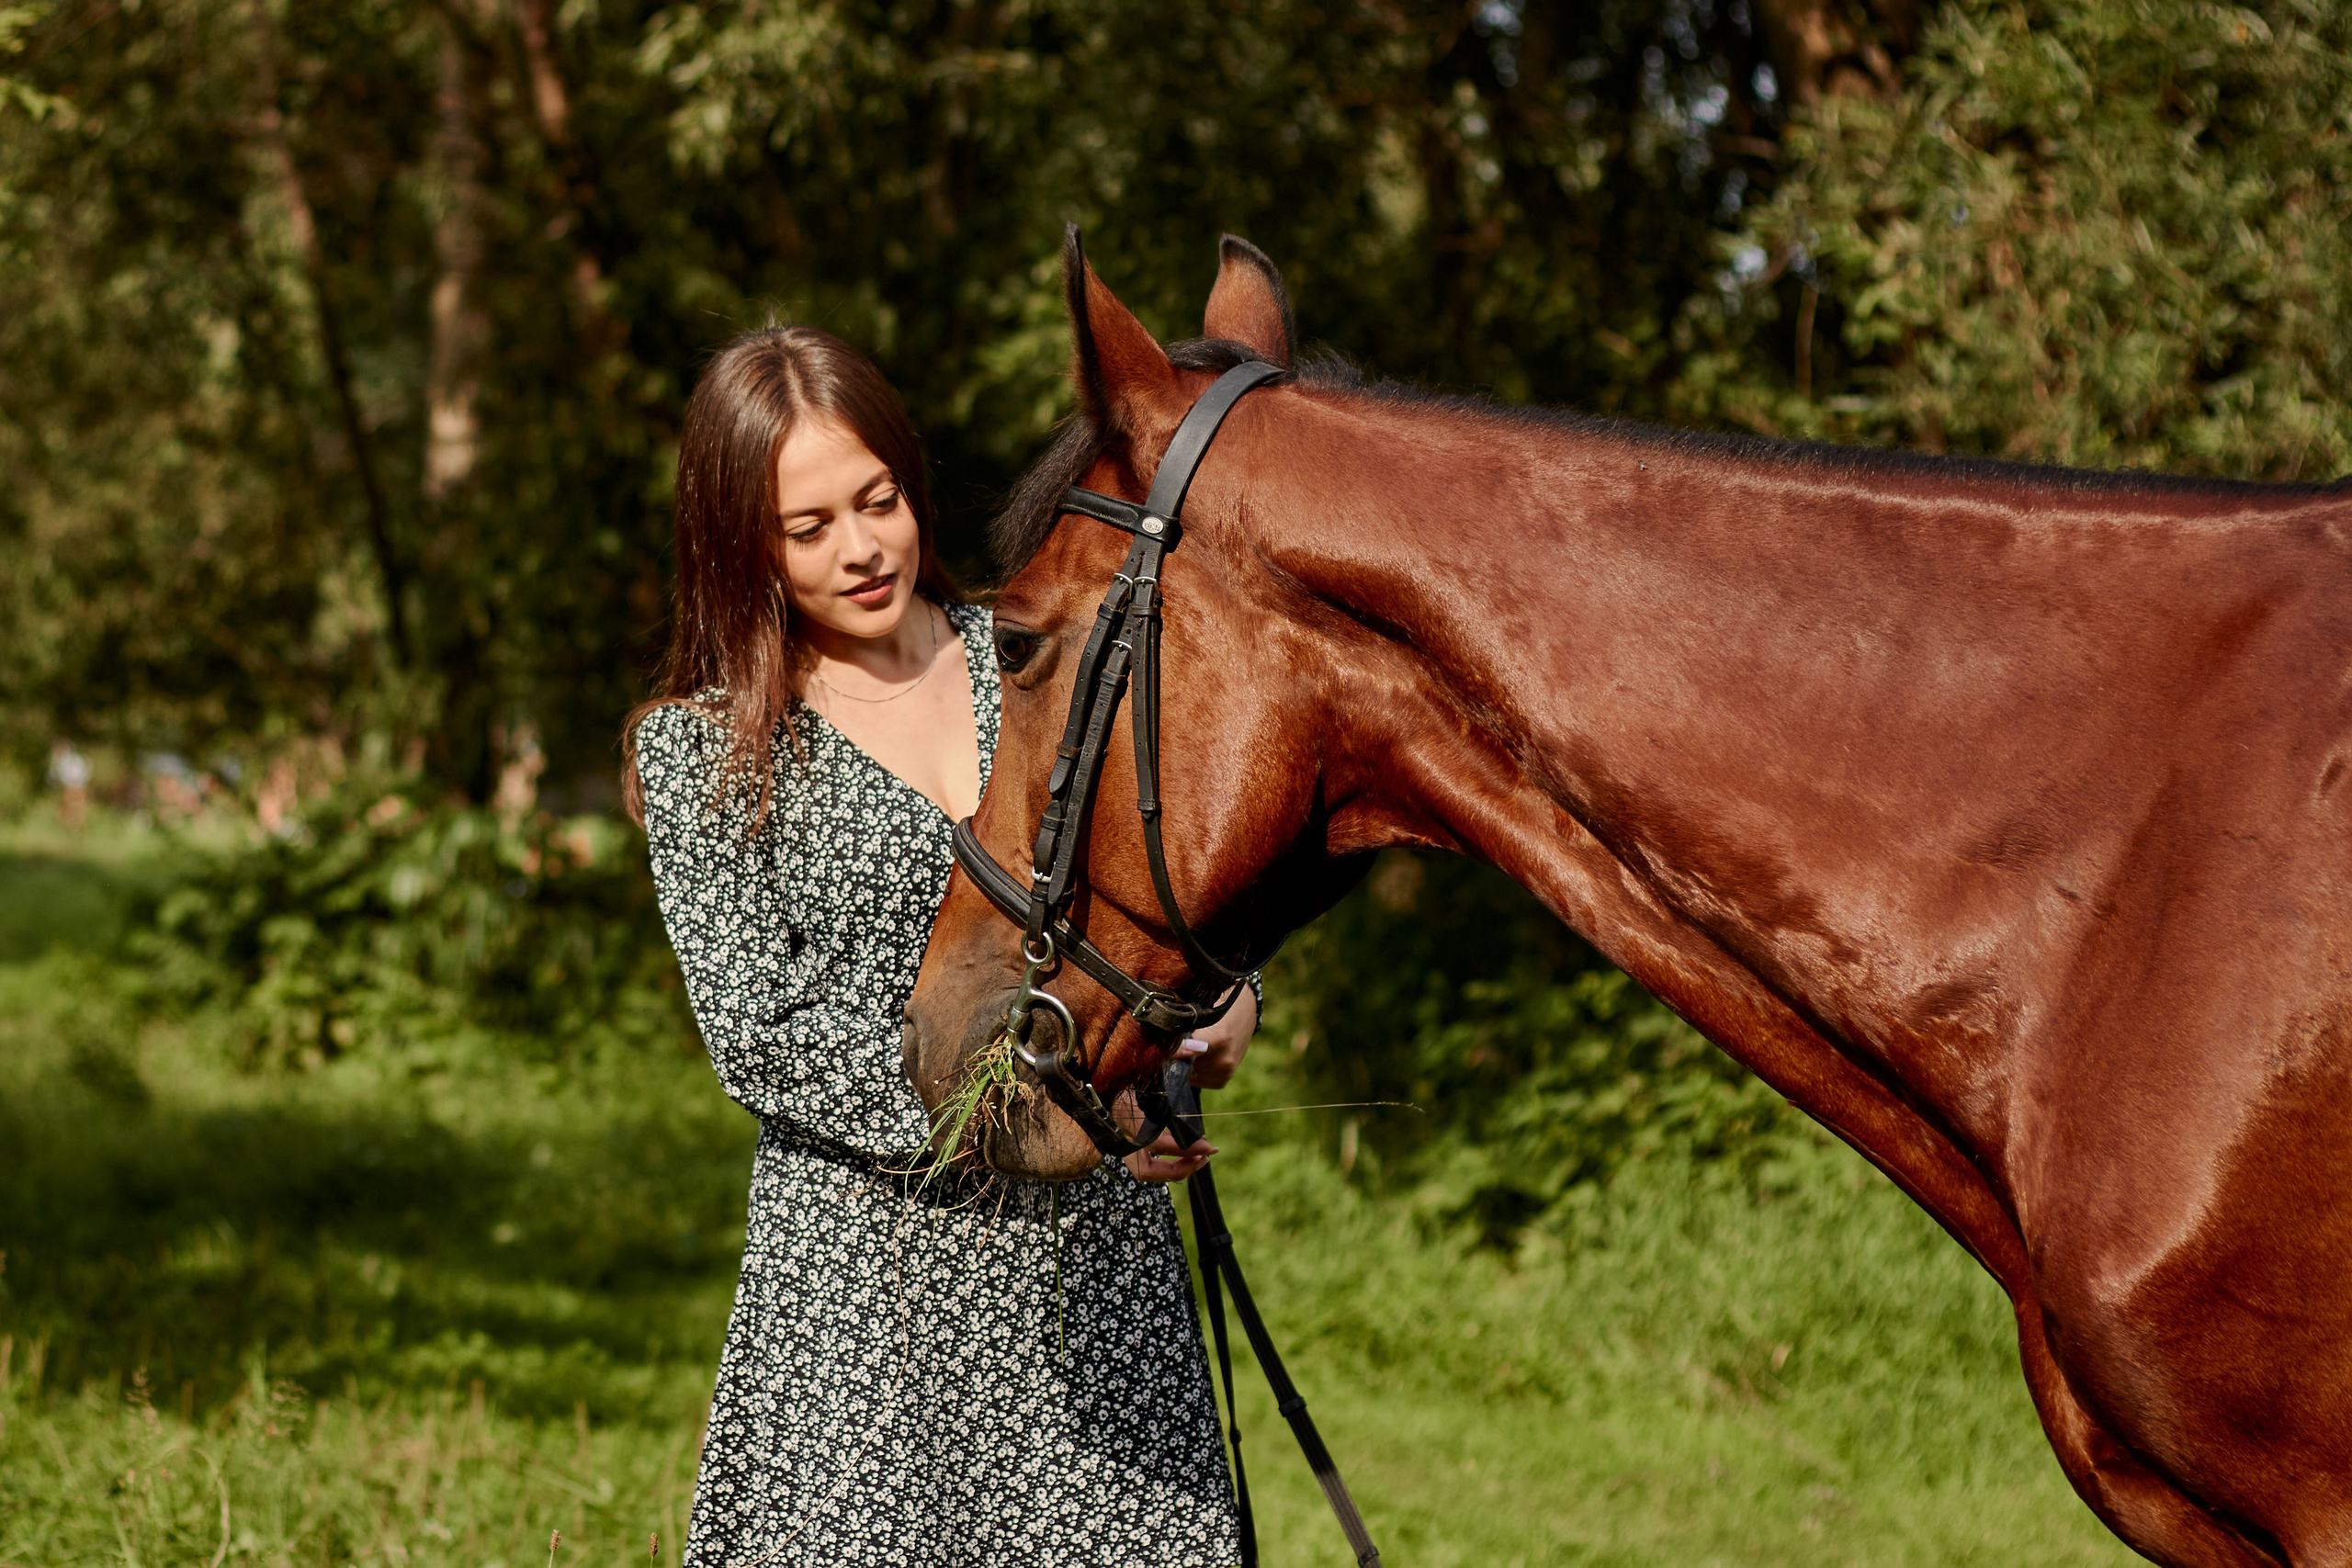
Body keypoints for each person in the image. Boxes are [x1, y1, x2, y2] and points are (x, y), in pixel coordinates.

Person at [624, 325, 1252, 1567]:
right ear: (738, 540)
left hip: (1090, 1279)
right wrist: (1050, 1107)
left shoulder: (1036, 660)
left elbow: (1154, 883)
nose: (860, 548)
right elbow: (764, 1034)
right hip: (870, 1295)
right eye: (808, 527)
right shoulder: (704, 753)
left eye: (878, 501)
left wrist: (1206, 1011)